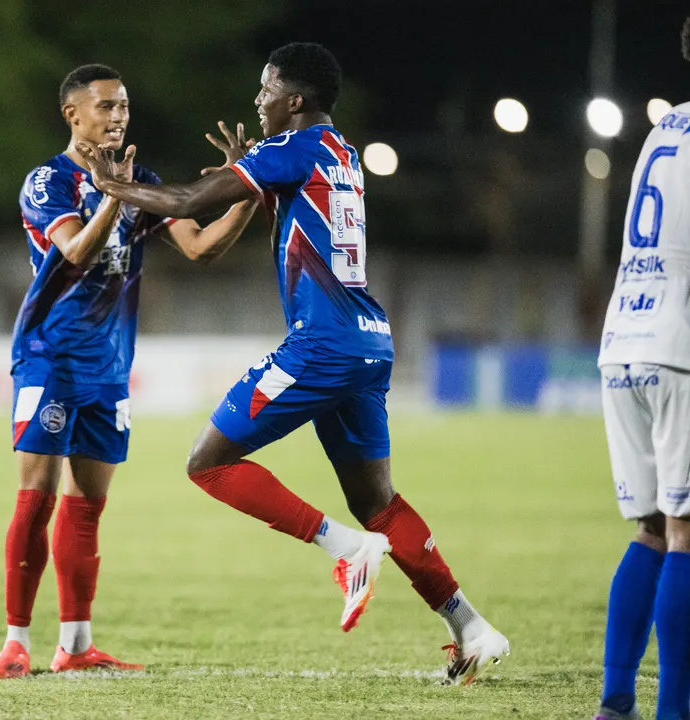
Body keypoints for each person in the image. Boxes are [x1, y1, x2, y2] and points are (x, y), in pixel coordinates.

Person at [76, 42, 509, 685]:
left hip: (323, 345)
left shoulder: (291, 148)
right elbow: (234, 204)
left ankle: (348, 551)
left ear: (296, 100)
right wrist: (241, 178)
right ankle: (471, 627)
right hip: (368, 340)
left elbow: (194, 201)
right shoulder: (344, 152)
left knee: (208, 462)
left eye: (267, 88)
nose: (259, 100)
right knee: (380, 502)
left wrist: (118, 186)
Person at [0, 64, 260, 679]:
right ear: (72, 115)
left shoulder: (142, 182)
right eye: (105, 107)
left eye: (124, 107)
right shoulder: (47, 181)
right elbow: (76, 251)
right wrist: (113, 192)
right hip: (49, 357)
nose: (118, 117)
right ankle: (15, 643)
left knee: (88, 506)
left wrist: (248, 190)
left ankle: (76, 646)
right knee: (37, 497)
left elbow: (199, 246)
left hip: (110, 367)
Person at [593, 19, 690, 720]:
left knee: (651, 528)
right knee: (687, 532)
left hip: (624, 335)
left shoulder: (665, 129)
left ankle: (616, 702)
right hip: (678, 345)